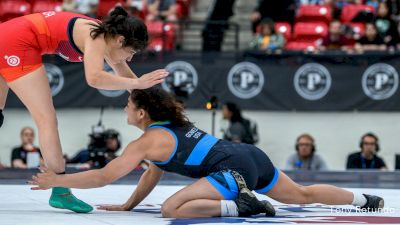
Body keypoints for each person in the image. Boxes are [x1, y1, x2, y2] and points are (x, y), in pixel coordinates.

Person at [30, 88, 384, 218]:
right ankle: (365, 199)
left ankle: (242, 204)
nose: (124, 109)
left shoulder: (145, 142)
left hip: (232, 169)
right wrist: (128, 206)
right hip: (250, 156)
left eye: (127, 104)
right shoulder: (167, 128)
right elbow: (152, 173)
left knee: (173, 209)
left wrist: (57, 180)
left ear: (141, 113)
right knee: (303, 195)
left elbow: (104, 176)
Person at [0, 6, 168, 213]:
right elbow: (94, 78)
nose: (130, 59)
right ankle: (61, 192)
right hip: (16, 42)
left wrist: (162, 114)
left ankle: (60, 190)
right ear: (120, 40)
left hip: (8, 34)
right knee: (47, 120)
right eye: (131, 52)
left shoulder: (105, 37)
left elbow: (132, 83)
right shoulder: (95, 36)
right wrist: (140, 84)